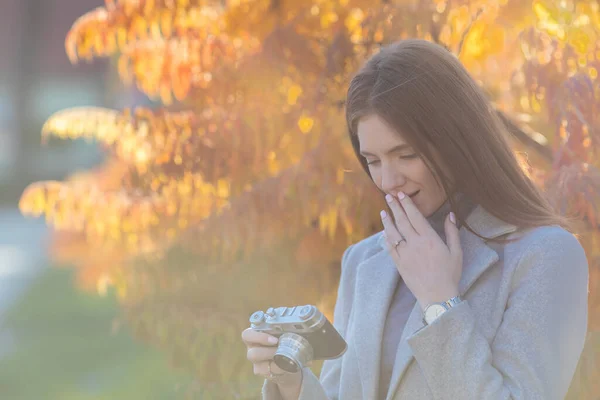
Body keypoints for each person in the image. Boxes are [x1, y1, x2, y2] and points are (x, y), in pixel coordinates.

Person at [241, 39, 589, 400]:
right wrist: (291, 383)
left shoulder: (548, 256)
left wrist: (440, 302)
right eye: (373, 161)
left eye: (406, 155)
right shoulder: (363, 262)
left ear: (457, 140)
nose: (388, 181)